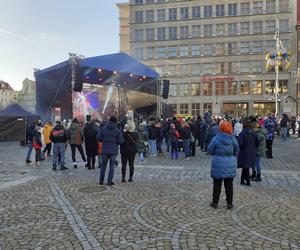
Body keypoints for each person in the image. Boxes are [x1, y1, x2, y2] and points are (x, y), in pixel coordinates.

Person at [207, 121, 239, 209]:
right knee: (229, 185)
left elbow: (209, 150)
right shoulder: (233, 139)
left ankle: (215, 202)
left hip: (218, 163)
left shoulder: (216, 139)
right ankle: (229, 203)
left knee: (217, 185)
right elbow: (237, 150)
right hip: (230, 163)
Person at [97, 116, 124, 186]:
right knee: (112, 166)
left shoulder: (103, 129)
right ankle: (109, 181)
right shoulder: (117, 130)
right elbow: (121, 141)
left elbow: (98, 138)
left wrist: (103, 140)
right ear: (115, 122)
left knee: (103, 166)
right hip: (113, 151)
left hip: (105, 150)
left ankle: (101, 180)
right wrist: (116, 143)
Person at [237, 117, 259, 186]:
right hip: (252, 152)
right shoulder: (254, 133)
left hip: (244, 152)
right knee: (246, 167)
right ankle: (242, 180)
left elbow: (240, 144)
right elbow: (257, 143)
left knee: (245, 167)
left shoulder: (242, 134)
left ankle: (248, 181)